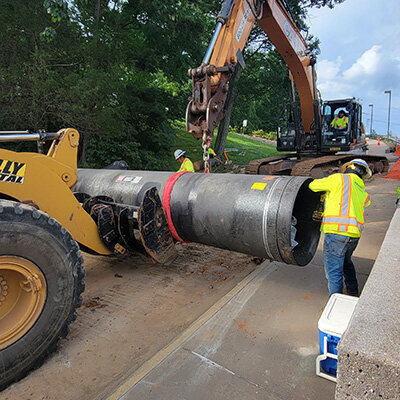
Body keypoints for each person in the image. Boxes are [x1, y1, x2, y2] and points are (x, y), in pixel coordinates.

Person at [309, 159, 372, 296]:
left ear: (349, 167)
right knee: (346, 263)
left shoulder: (338, 179)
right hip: (354, 236)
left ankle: (335, 301)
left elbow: (313, 186)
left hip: (337, 233)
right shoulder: (361, 189)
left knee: (333, 271)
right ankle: (353, 293)